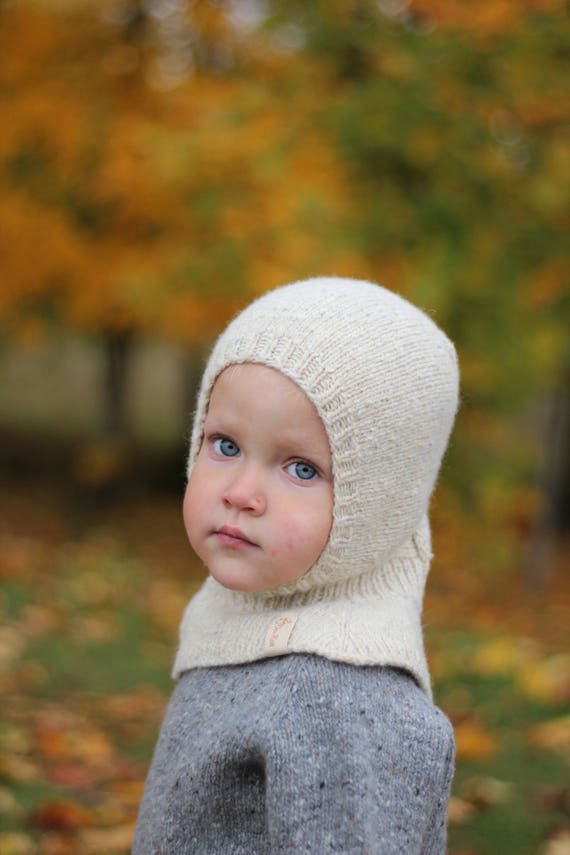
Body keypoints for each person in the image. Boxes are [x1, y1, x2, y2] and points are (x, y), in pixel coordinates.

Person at [133, 276, 460, 854]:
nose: (241, 492)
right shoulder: (238, 622)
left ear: (377, 506)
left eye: (301, 469)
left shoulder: (338, 696)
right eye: (226, 445)